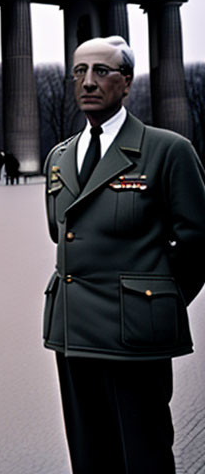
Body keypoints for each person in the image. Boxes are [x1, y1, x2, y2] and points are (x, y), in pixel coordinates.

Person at [42, 36, 205, 474]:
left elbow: (197, 244)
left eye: (102, 71)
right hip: (72, 333)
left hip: (134, 337)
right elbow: (62, 236)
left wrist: (152, 300)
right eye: (79, 72)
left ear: (127, 82)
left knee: (144, 455)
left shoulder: (167, 150)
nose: (88, 82)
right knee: (90, 456)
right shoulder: (59, 157)